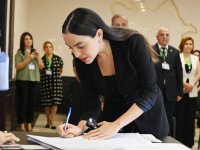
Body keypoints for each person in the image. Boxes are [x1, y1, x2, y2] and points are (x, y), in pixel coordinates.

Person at [57, 8, 169, 140]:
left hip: (147, 117)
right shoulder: (82, 61)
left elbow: (150, 92)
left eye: (80, 46)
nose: (76, 54)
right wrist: (80, 128)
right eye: (70, 47)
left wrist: (116, 125)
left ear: (99, 34)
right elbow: (92, 104)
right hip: (112, 120)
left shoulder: (133, 42)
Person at [153, 27, 183, 136]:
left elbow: (179, 73)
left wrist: (180, 92)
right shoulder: (151, 49)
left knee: (168, 117)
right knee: (155, 116)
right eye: (162, 34)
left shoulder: (175, 52)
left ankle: (166, 139)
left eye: (167, 35)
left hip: (171, 92)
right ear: (157, 37)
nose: (164, 37)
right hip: (155, 91)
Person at [174, 37, 200, 148]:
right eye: (186, 44)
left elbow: (199, 73)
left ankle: (188, 143)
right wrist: (184, 85)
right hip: (181, 91)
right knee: (180, 118)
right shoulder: (177, 57)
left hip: (192, 91)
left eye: (190, 44)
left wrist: (191, 84)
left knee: (190, 119)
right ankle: (178, 143)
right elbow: (175, 73)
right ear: (182, 45)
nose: (188, 46)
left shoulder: (195, 58)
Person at [15, 32, 44, 132]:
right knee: (23, 103)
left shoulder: (35, 51)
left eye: (30, 39)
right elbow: (18, 67)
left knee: (32, 103)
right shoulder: (20, 52)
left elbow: (41, 67)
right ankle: (22, 124)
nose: (28, 41)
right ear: (23, 41)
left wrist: (37, 57)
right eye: (26, 39)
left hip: (35, 80)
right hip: (23, 80)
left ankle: (30, 123)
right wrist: (29, 58)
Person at [40, 41, 64, 129]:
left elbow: (61, 71)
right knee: (46, 103)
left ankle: (53, 122)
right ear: (44, 49)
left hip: (56, 83)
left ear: (52, 48)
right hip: (45, 83)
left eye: (50, 47)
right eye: (46, 47)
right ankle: (48, 121)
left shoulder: (58, 59)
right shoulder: (41, 59)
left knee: (54, 103)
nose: (48, 48)